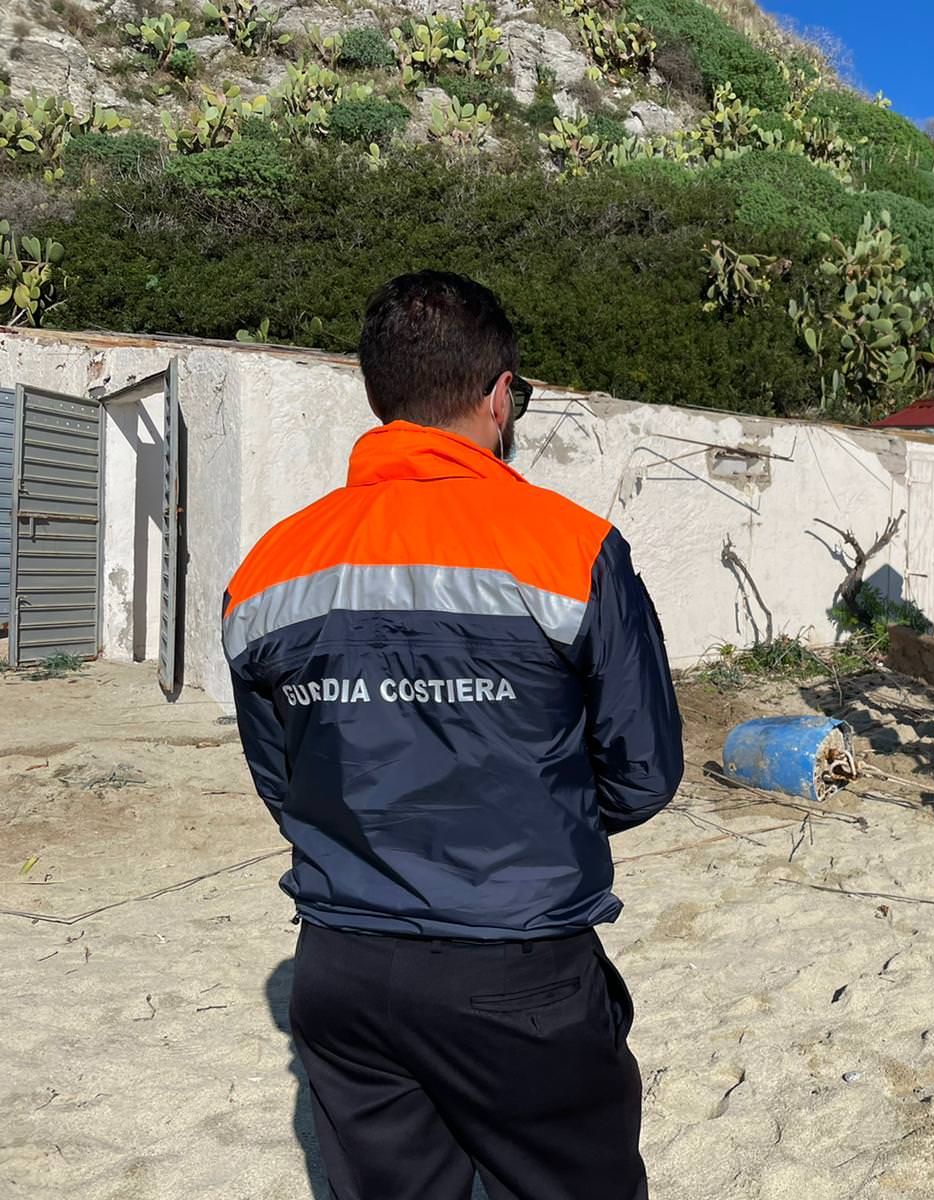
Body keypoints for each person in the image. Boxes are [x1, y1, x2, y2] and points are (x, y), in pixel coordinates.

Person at [222, 271, 682, 1200]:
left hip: (341, 968)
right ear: (500, 391)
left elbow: (285, 780)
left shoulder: (267, 569)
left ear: (376, 395)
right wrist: (523, 814)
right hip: (519, 966)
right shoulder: (571, 548)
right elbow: (643, 772)